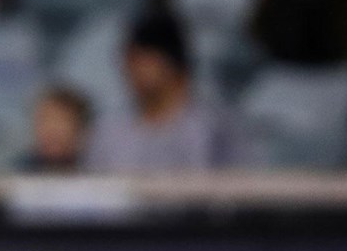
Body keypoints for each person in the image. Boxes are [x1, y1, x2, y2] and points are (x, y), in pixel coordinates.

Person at [84, 11, 249, 171]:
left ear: (169, 62)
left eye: (139, 59)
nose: (128, 69)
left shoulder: (214, 127)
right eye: (127, 60)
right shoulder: (108, 130)